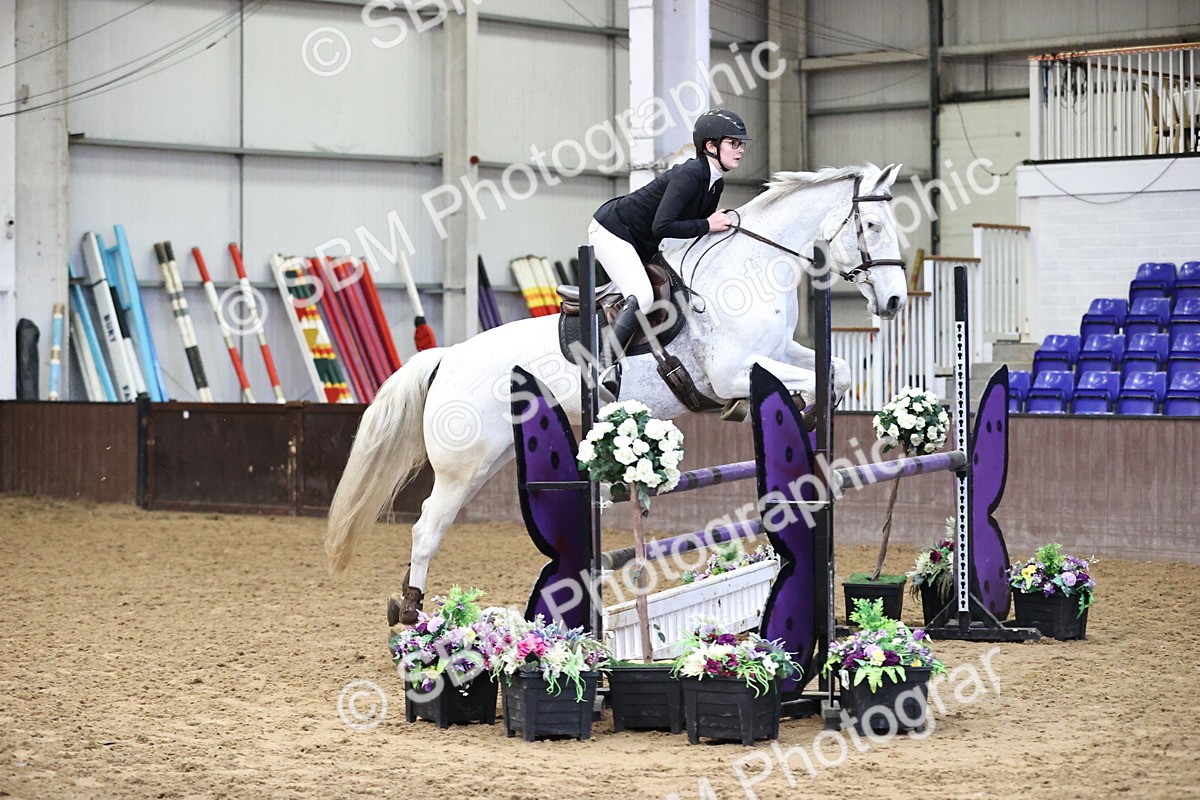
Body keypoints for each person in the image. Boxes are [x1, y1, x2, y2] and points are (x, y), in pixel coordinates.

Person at [589, 108, 750, 392]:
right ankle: (603, 369)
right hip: (612, 231)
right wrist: (707, 223)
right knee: (643, 296)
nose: (740, 150)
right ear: (711, 146)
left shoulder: (715, 182)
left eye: (742, 144)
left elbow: (694, 230)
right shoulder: (690, 174)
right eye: (734, 143)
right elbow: (662, 226)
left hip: (641, 240)